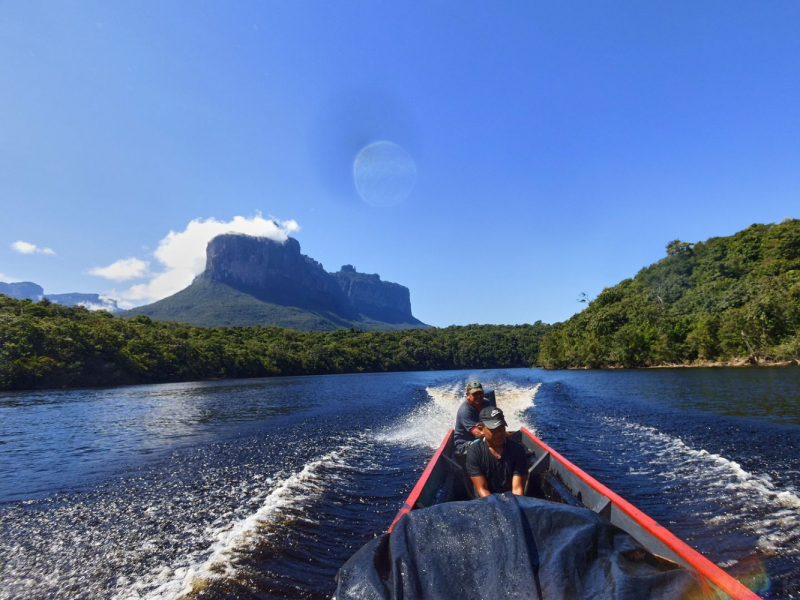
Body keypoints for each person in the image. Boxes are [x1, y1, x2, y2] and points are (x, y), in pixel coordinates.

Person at [466, 406, 528, 497]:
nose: (498, 432)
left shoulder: (518, 450)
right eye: (493, 429)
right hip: (487, 502)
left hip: (512, 501)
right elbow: (482, 489)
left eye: (501, 427)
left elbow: (517, 489)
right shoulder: (474, 451)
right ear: (481, 429)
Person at [453, 380, 496, 454]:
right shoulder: (465, 411)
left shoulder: (487, 403)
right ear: (468, 395)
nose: (478, 396)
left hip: (482, 438)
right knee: (491, 449)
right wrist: (498, 435)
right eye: (475, 394)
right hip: (465, 444)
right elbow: (478, 434)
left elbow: (495, 422)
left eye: (480, 393)